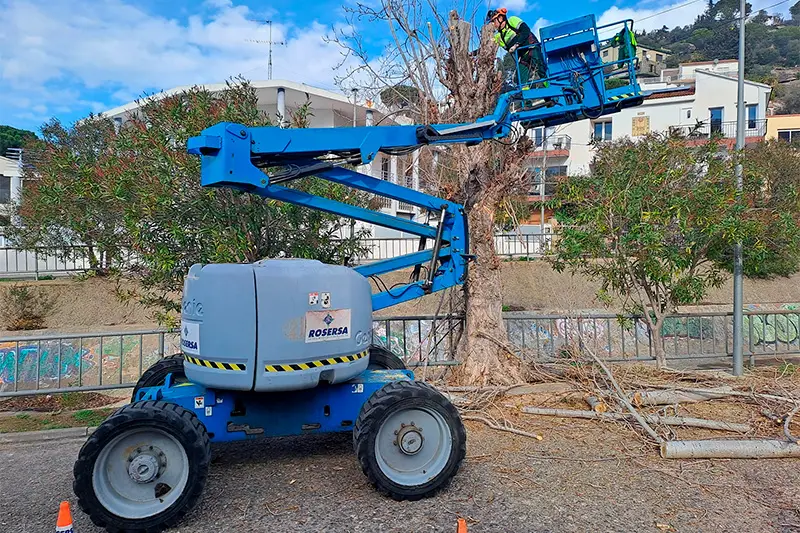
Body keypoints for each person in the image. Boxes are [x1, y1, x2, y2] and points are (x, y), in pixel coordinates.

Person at [487, 8, 546, 87]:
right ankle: (526, 98)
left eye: (494, 21)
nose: (493, 24)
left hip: (532, 48)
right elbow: (488, 48)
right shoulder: (498, 37)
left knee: (541, 70)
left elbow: (525, 30)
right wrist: (472, 53)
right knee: (521, 81)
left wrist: (516, 45)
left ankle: (553, 96)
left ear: (500, 18)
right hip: (522, 57)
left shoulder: (512, 20)